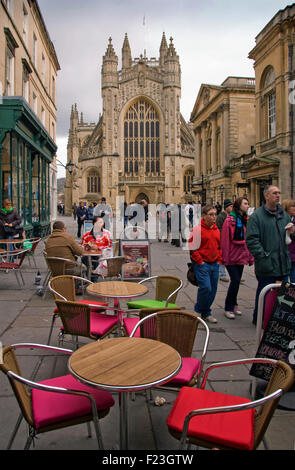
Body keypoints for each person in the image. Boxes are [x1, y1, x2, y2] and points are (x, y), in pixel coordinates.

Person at [246, 185, 294, 325]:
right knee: (264, 293)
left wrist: (292, 231)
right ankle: (259, 318)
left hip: (283, 263)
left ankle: (277, 321)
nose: (278, 195)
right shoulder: (257, 217)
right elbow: (252, 240)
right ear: (266, 196)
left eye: (279, 193)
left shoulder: (283, 215)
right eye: (274, 193)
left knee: (283, 295)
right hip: (267, 264)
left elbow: (289, 235)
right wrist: (264, 256)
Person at [221, 197, 254, 319]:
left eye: (248, 203)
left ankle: (234, 304)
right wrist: (225, 257)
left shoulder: (245, 220)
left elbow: (248, 240)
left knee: (237, 281)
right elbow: (225, 240)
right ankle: (228, 307)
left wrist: (249, 257)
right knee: (235, 281)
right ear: (239, 205)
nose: (247, 205)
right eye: (245, 203)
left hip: (240, 256)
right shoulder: (229, 220)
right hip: (231, 256)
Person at [188, 204, 222, 323]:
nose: (214, 217)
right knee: (206, 288)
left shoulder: (216, 229)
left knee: (213, 290)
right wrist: (200, 262)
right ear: (204, 216)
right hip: (203, 264)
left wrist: (219, 258)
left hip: (214, 263)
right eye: (211, 214)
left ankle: (206, 312)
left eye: (215, 214)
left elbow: (219, 246)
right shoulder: (197, 229)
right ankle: (199, 309)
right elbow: (192, 247)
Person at [216, 199, 233, 282]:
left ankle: (235, 275)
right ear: (226, 208)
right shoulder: (221, 216)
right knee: (222, 257)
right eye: (230, 206)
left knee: (230, 258)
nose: (232, 207)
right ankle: (222, 274)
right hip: (223, 240)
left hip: (230, 241)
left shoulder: (232, 216)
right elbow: (218, 229)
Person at [282, 199, 295, 283]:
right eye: (292, 206)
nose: (294, 208)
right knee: (284, 281)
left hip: (293, 254)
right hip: (285, 254)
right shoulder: (282, 220)